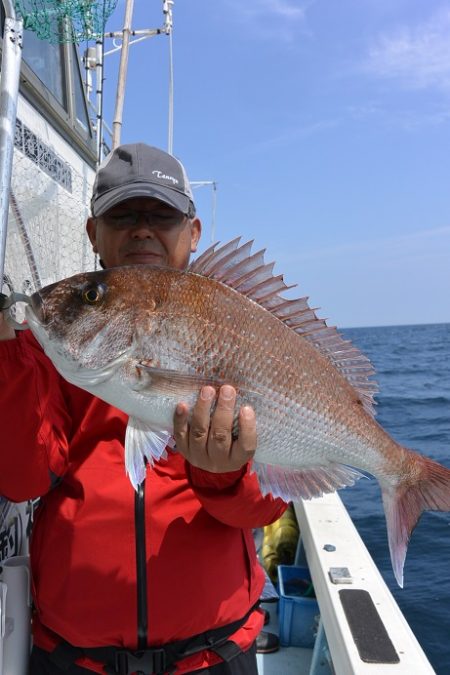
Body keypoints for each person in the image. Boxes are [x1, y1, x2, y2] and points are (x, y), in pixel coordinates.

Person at [0, 143, 286, 674]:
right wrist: (6, 351)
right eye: (123, 214)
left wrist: (223, 477)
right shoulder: (53, 353)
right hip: (74, 658)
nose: (141, 229)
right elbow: (22, 480)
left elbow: (266, 509)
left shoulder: (239, 325)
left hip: (211, 656)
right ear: (94, 233)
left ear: (193, 233)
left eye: (162, 215)